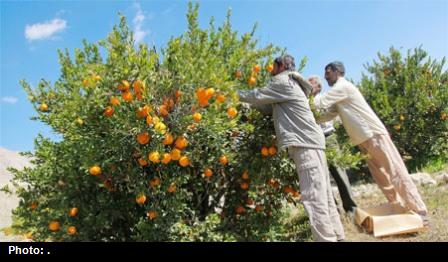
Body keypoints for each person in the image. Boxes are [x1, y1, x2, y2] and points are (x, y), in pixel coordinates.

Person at [296, 61, 428, 223]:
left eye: (328, 73)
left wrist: (309, 92)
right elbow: (324, 115)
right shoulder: (338, 95)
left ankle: (418, 209)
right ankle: (397, 206)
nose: (325, 77)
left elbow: (321, 103)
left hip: (374, 135)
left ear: (337, 72)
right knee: (381, 176)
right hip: (363, 139)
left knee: (395, 171)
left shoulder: (342, 87)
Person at [237, 54, 345, 242]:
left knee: (313, 199)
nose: (270, 71)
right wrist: (248, 107)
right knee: (324, 195)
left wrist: (230, 94)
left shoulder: (283, 81)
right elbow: (268, 108)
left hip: (305, 145)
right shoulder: (293, 85)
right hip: (313, 143)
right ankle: (339, 237)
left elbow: (257, 95)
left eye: (272, 67)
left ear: (280, 66)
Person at [308, 75, 357, 214]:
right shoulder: (305, 102)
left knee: (339, 172)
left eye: (310, 84)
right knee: (322, 176)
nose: (307, 86)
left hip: (328, 137)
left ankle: (351, 209)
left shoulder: (323, 99)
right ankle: (334, 210)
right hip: (314, 141)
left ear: (317, 86)